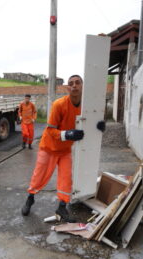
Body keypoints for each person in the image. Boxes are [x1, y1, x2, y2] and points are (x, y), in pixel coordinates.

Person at [21, 75, 106, 222]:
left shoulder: (86, 107)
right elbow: (50, 130)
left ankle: (62, 207)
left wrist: (99, 127)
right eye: (71, 83)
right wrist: (68, 133)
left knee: (66, 179)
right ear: (68, 87)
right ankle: (30, 198)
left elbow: (92, 123)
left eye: (77, 83)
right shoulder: (59, 105)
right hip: (48, 147)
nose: (74, 86)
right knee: (39, 176)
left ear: (82, 86)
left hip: (65, 150)